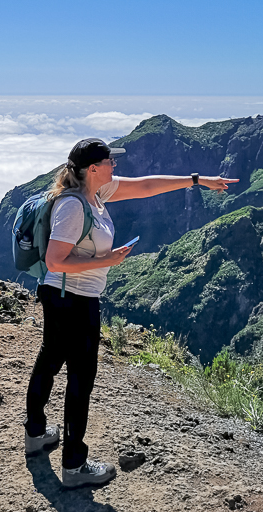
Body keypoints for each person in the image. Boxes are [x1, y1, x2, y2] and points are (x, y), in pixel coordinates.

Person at [24, 138, 238, 487]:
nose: (115, 166)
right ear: (93, 168)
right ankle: (74, 466)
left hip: (63, 295)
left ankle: (35, 434)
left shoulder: (96, 193)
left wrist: (197, 180)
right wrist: (106, 260)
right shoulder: (75, 206)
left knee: (50, 359)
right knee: (80, 378)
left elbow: (148, 186)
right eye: (110, 161)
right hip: (72, 297)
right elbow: (55, 260)